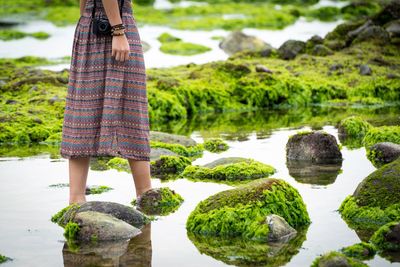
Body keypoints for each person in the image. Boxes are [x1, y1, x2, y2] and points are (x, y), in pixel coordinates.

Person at [59, 0, 152, 205]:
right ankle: (146, 195)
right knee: (132, 107)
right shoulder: (118, 29)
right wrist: (118, 31)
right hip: (114, 24)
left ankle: (76, 199)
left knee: (83, 107)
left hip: (90, 25)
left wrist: (87, 20)